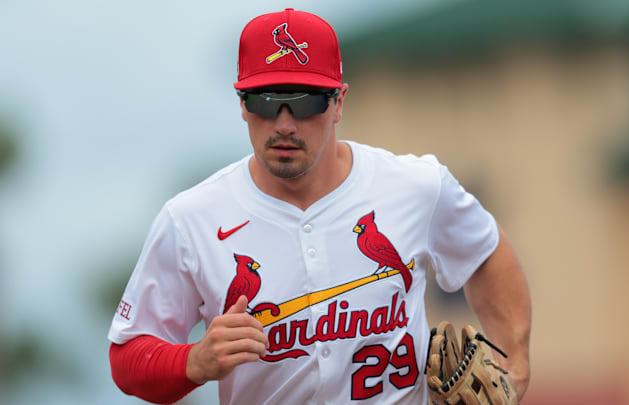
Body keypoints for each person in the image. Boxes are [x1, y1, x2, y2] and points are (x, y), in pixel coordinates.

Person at [108, 8, 531, 405]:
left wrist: (515, 360)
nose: (285, 123)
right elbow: (128, 357)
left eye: (307, 101)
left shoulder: (415, 186)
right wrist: (193, 363)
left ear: (339, 102)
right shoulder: (192, 219)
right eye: (266, 101)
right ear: (242, 104)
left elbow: (485, 252)